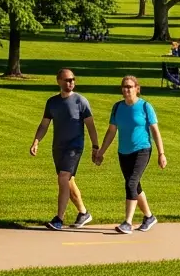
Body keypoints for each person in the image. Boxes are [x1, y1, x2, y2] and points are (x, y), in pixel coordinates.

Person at [93, 76, 167, 234]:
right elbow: (111, 131)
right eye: (124, 87)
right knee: (135, 185)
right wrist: (101, 152)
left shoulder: (145, 106)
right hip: (123, 152)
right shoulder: (117, 107)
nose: (126, 90)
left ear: (137, 88)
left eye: (130, 87)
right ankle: (149, 217)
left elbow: (155, 131)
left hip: (142, 149)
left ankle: (128, 222)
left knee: (131, 184)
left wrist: (161, 153)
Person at [30, 68, 98, 230]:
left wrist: (96, 147)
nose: (71, 82)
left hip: (74, 147)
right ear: (59, 81)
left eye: (73, 79)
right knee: (68, 182)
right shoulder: (52, 102)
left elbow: (90, 126)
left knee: (63, 178)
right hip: (58, 148)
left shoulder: (81, 101)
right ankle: (83, 213)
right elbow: (44, 124)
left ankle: (59, 219)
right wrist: (36, 141)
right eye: (67, 80)